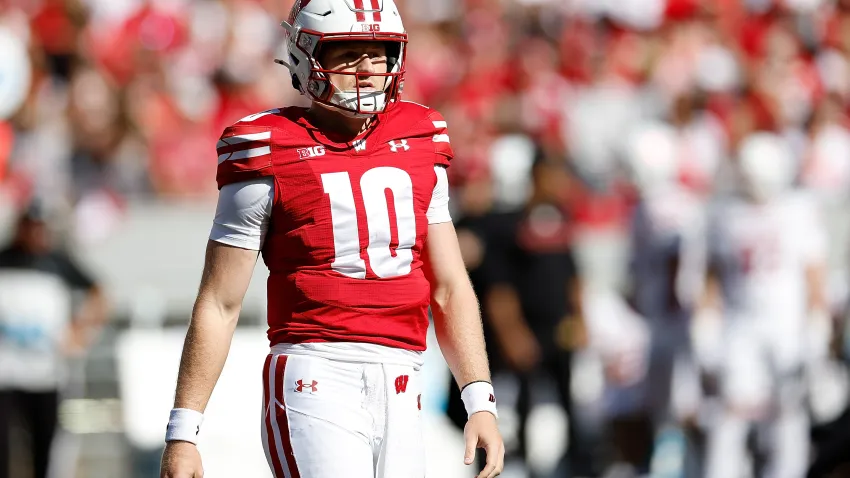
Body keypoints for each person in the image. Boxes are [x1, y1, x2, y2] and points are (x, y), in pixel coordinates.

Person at [159, 1, 504, 477]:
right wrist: (184, 429)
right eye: (348, 53)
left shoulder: (422, 136)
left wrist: (479, 396)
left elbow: (448, 284)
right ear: (307, 55)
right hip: (315, 372)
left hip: (404, 376)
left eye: (378, 52)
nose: (366, 69)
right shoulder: (265, 146)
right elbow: (219, 301)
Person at [696, 133, 830, 478]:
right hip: (741, 328)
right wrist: (706, 331)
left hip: (787, 327)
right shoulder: (724, 213)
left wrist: (816, 331)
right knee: (730, 415)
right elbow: (712, 281)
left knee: (788, 416)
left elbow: (815, 278)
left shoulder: (798, 210)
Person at [0, 200, 107, 478]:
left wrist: (79, 331)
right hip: (5, 373)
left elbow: (99, 293)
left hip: (45, 374)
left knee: (45, 447)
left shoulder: (58, 263)